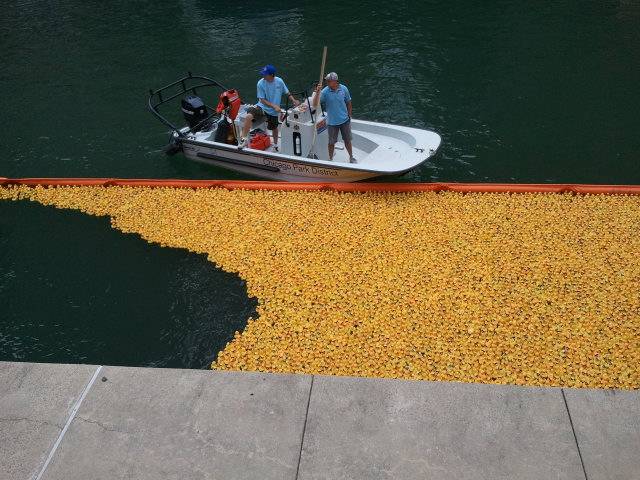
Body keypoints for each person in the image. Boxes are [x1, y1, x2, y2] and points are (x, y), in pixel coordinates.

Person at [238, 64, 299, 150]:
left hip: (273, 112)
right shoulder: (260, 83)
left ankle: (275, 144)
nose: (263, 75)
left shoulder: (279, 81)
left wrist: (294, 100)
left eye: (265, 74)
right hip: (262, 107)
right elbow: (262, 99)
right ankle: (243, 139)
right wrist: (274, 106)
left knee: (274, 128)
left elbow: (287, 92)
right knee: (248, 116)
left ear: (271, 75)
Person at [312, 72, 355, 163]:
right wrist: (317, 92)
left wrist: (349, 115)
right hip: (332, 123)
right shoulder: (325, 91)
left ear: (335, 81)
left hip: (345, 121)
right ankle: (330, 159)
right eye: (326, 81)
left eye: (328, 81)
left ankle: (351, 157)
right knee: (331, 143)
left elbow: (348, 102)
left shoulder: (344, 89)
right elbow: (315, 104)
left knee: (347, 140)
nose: (326, 82)